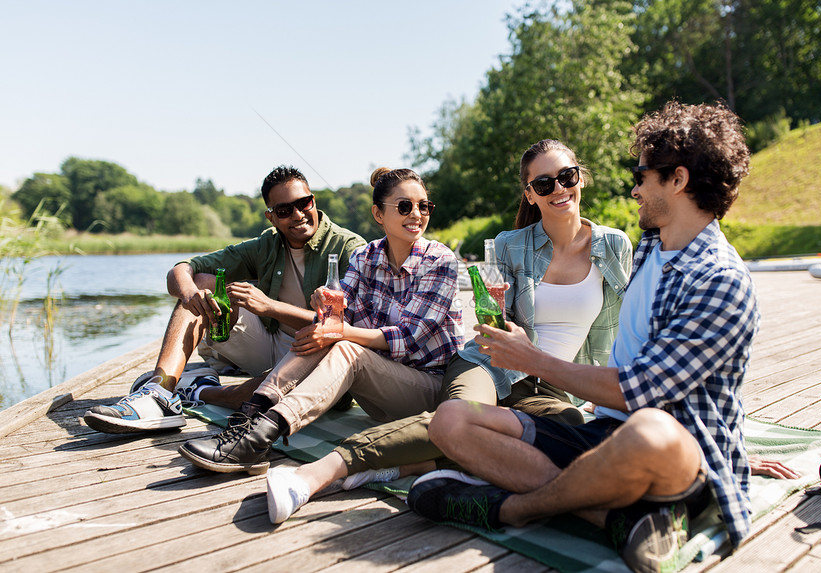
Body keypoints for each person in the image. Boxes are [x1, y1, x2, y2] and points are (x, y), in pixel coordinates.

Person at [406, 101, 765, 573]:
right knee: (451, 421)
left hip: (677, 453)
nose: (633, 189)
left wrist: (533, 360)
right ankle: (611, 516)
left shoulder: (719, 280)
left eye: (642, 175)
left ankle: (508, 509)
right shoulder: (654, 246)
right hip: (604, 431)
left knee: (649, 430)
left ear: (677, 180)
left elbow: (640, 392)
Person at [261, 139, 634, 524]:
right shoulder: (508, 244)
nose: (558, 189)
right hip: (492, 362)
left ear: (580, 179)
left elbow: (616, 327)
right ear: (530, 194)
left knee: (571, 429)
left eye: (566, 177)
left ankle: (409, 465)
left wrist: (595, 390)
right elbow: (491, 320)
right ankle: (316, 473)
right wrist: (499, 317)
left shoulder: (614, 245)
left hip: (555, 383)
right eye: (544, 184)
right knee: (461, 416)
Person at [177, 167, 466, 486]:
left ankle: (258, 436)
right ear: (378, 214)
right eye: (404, 206)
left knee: (342, 345)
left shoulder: (440, 260)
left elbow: (410, 338)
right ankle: (250, 418)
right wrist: (324, 306)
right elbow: (341, 313)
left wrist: (336, 330)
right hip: (378, 391)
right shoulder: (364, 257)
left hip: (427, 392)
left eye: (423, 206)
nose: (416, 214)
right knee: (324, 334)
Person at [83, 166, 366, 434]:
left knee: (258, 396)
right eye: (284, 210)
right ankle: (159, 392)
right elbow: (182, 270)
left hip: (317, 351)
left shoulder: (349, 248)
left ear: (313, 201)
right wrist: (191, 294)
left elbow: (350, 329)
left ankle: (197, 389)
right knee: (203, 282)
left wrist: (270, 307)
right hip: (269, 340)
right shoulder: (266, 243)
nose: (297, 215)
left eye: (303, 203)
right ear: (271, 217)